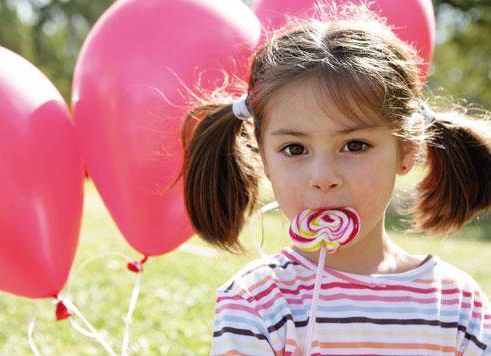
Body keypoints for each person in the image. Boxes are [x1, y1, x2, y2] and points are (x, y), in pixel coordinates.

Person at [177, 3, 491, 355]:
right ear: (263, 156)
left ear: (406, 149)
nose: (323, 177)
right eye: (295, 149)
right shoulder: (257, 301)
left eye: (355, 145)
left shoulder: (455, 303)